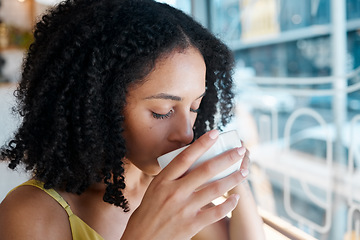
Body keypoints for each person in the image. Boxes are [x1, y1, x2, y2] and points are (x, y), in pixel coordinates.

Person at [0, 0, 265, 239]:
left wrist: (235, 178)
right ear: (98, 104)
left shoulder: (169, 190)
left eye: (196, 107)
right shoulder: (30, 213)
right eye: (162, 111)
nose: (186, 134)